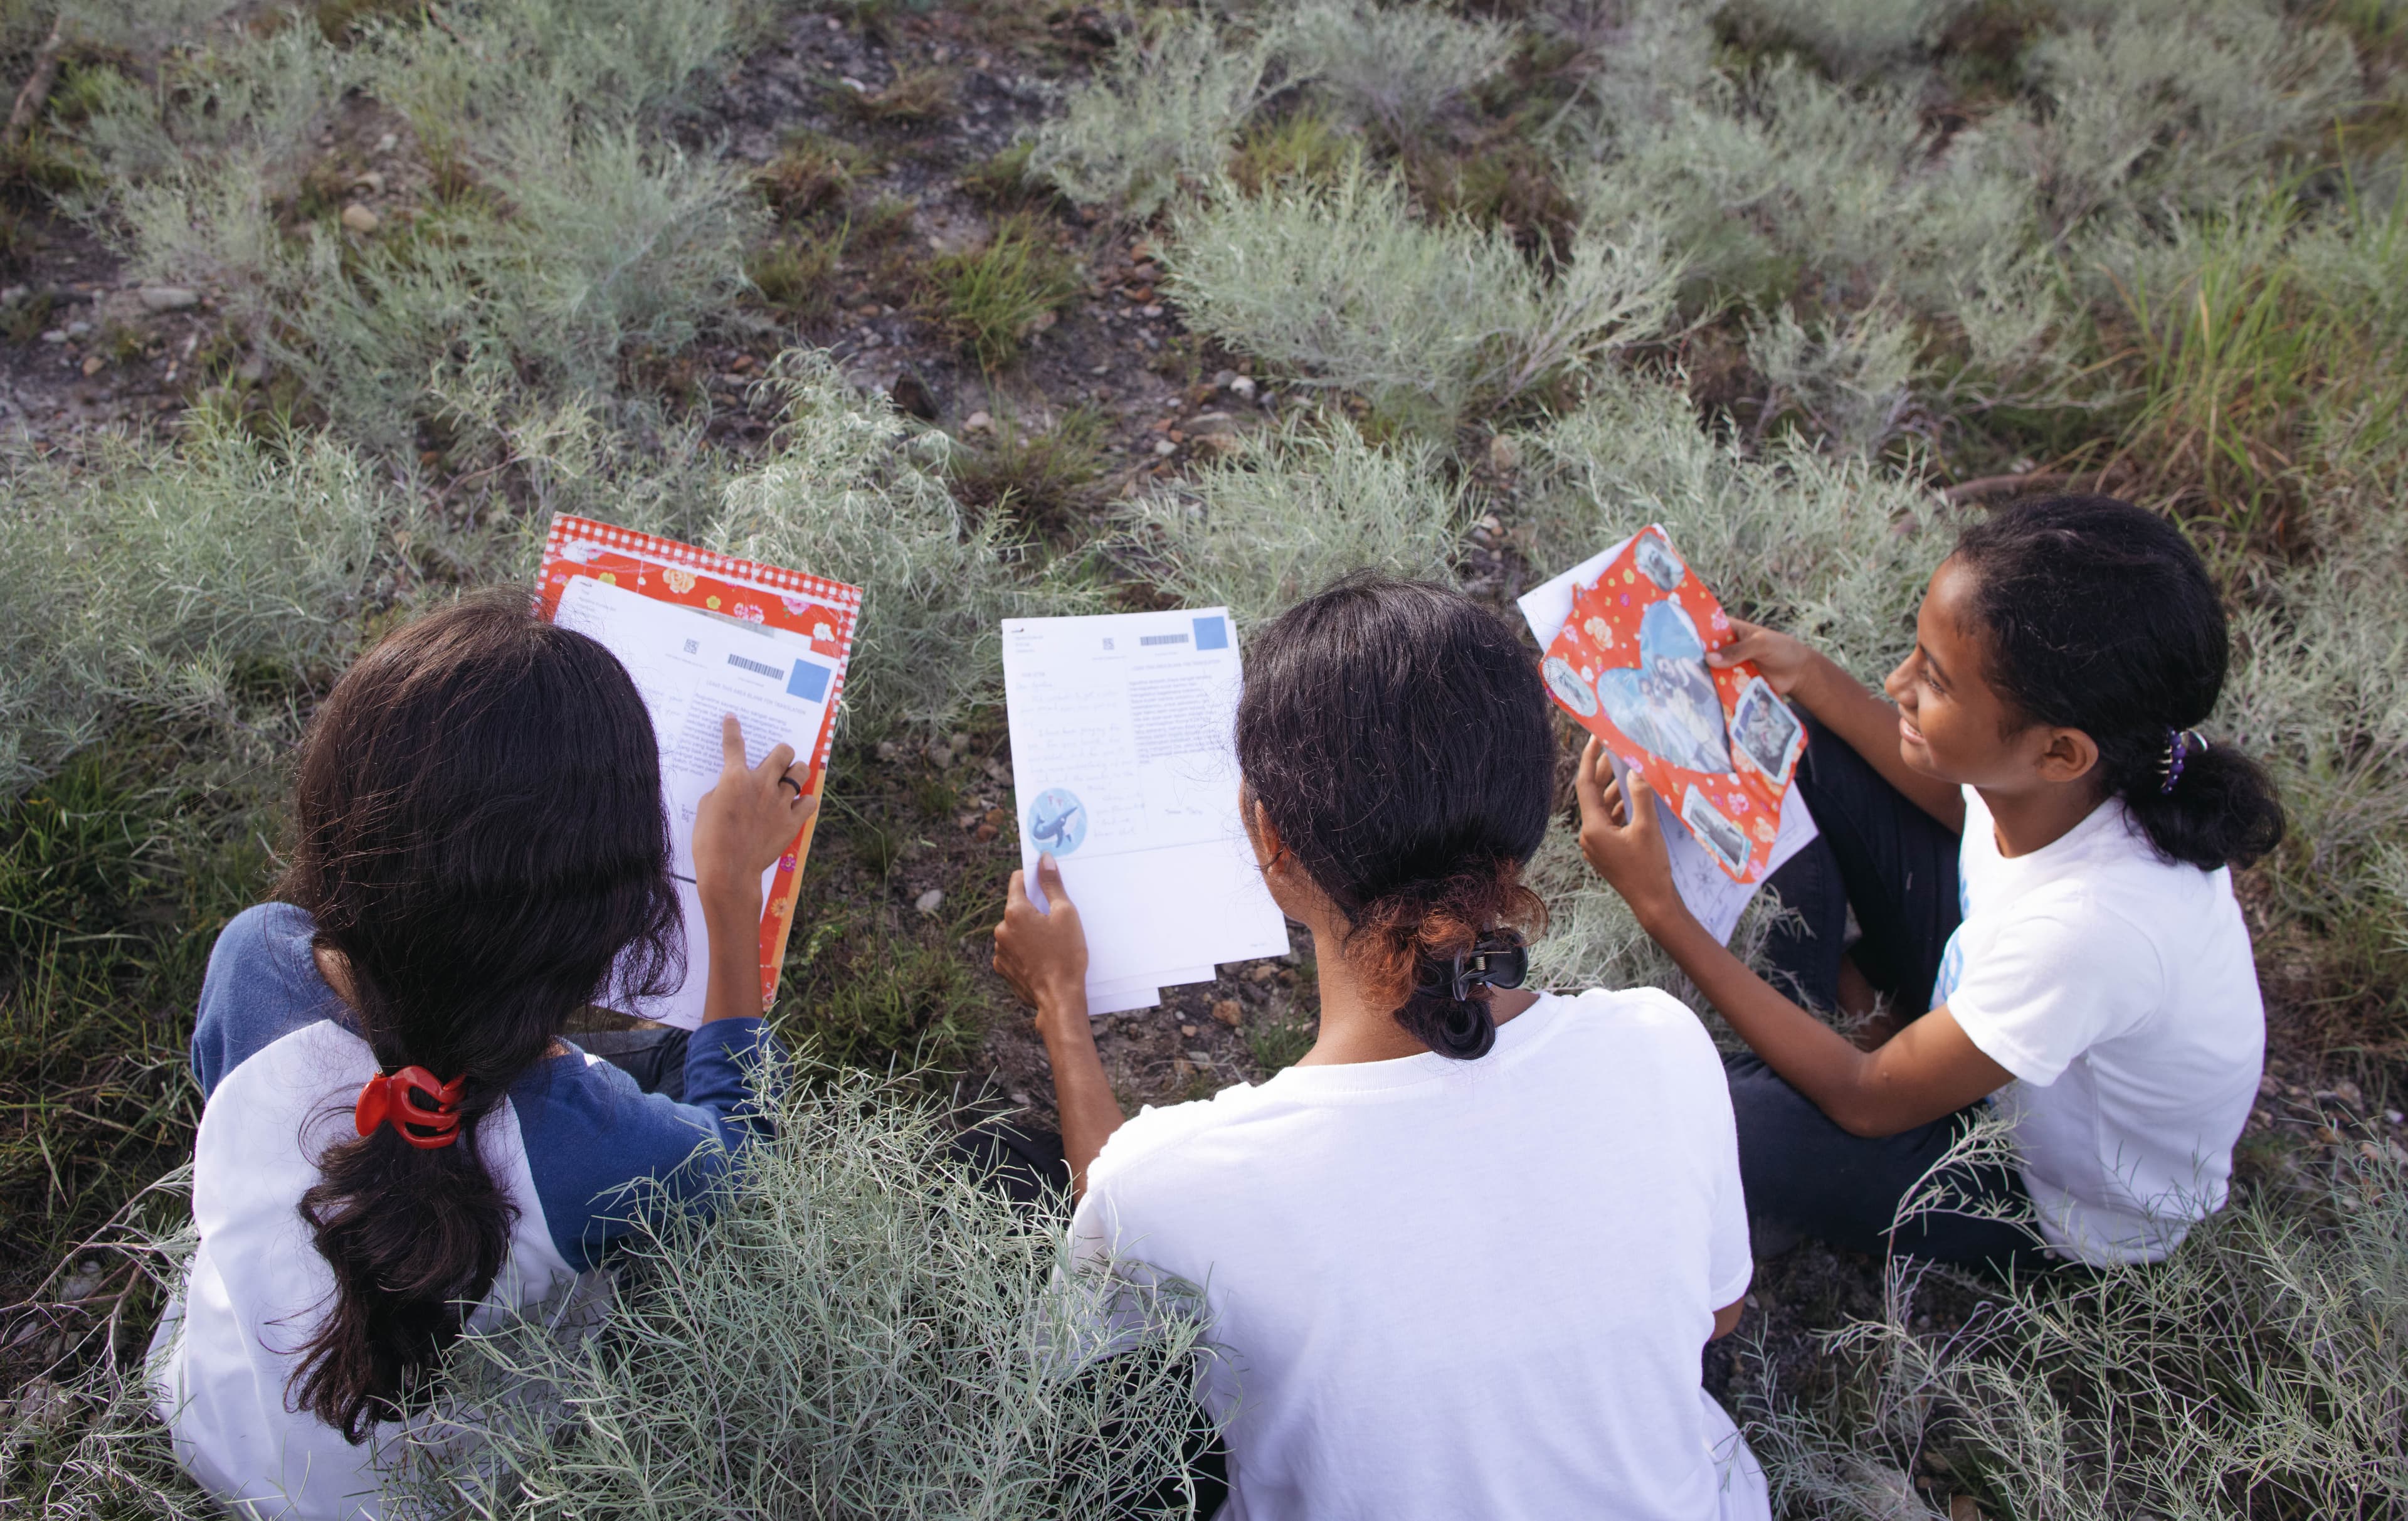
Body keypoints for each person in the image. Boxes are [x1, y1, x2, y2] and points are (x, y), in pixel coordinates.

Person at [993, 576, 1769, 1521]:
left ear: (1268, 836)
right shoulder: (1663, 1042)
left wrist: (1061, 1009)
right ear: (1525, 824)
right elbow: (1717, 1317)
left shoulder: (1174, 1181)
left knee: (1006, 1169)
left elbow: (1100, 1324)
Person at [149, 592, 813, 1519]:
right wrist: (733, 894)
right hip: (428, 1499)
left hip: (209, 1419)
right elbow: (744, 1145)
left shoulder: (256, 960)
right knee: (680, 1071)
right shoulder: (588, 1145)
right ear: (601, 917)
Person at [1575, 496, 2285, 1271]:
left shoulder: (2093, 926)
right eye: (1916, 654)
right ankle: (1848, 1019)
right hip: (2004, 1013)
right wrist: (1810, 675)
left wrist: (1660, 906)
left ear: (2059, 752)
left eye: (1936, 682)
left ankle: (1825, 1065)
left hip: (2035, 1191)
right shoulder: (2085, 773)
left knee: (1727, 1118)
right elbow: (1958, 802)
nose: (1897, 680)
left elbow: (1865, 1098)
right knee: (1794, 740)